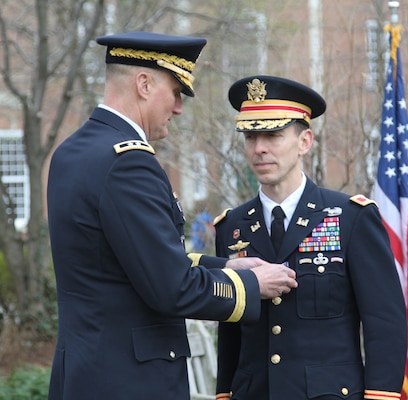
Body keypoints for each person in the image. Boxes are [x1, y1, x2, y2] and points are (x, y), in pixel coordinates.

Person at [46, 34, 297, 400]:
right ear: (144, 84)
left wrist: (228, 267)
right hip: (131, 382)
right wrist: (253, 287)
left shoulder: (73, 151)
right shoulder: (128, 162)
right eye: (176, 91)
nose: (179, 107)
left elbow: (130, 260)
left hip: (87, 373)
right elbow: (172, 288)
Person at [214, 75, 408, 400]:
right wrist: (224, 394)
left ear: (305, 141)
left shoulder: (351, 218)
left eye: (273, 135)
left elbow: (384, 323)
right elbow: (231, 332)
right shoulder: (232, 228)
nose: (259, 148)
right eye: (250, 136)